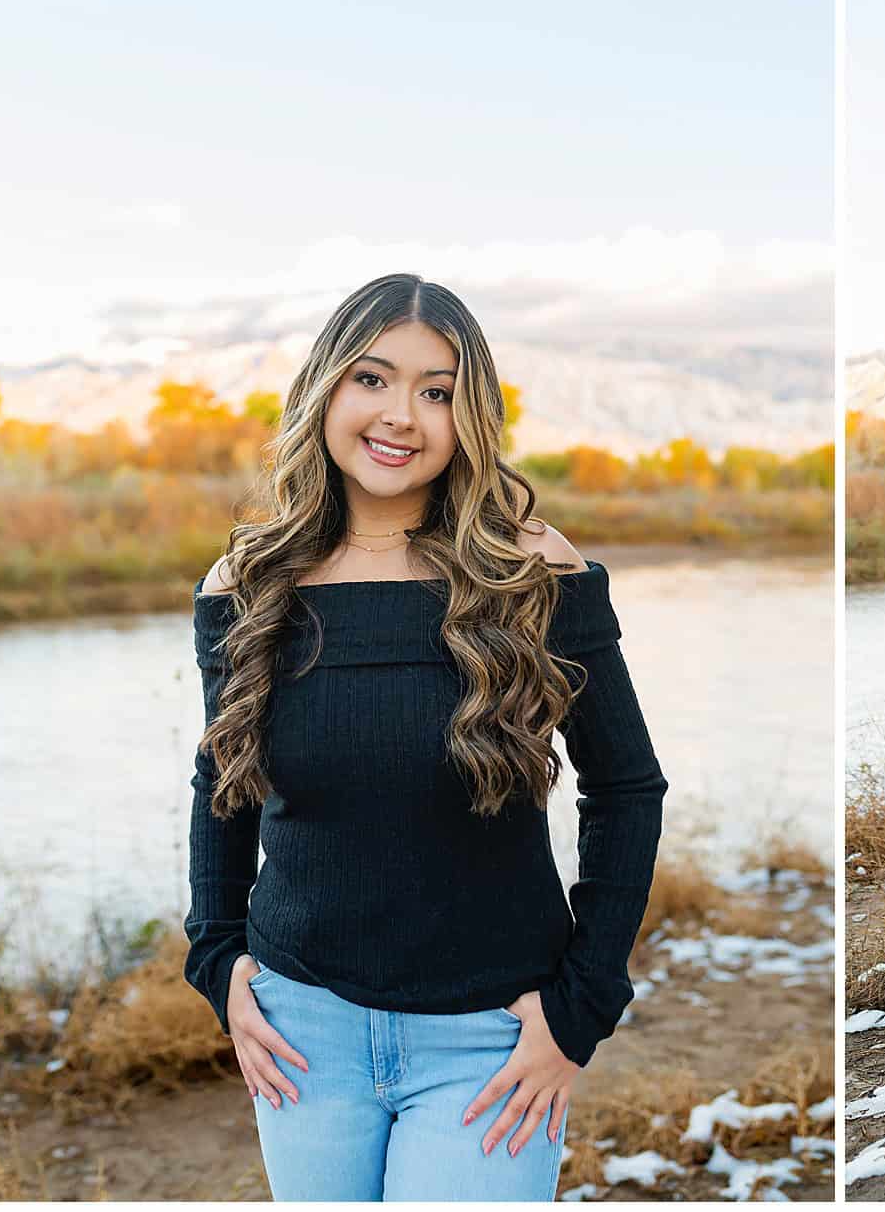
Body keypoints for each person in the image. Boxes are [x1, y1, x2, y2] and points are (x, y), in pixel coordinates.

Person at [184, 273, 667, 1199]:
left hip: (486, 1040)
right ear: (325, 389)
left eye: (436, 391)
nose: (401, 414)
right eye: (372, 378)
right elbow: (223, 780)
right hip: (300, 1030)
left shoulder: (532, 569)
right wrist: (217, 959)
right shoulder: (245, 582)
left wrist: (581, 1008)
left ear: (468, 416)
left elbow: (626, 787)